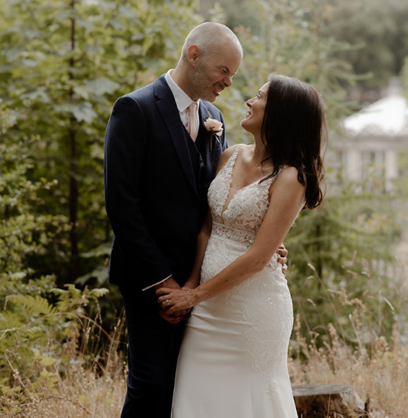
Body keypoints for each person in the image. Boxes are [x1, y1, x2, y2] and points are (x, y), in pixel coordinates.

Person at [103, 22, 287, 418]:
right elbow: (122, 205)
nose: (228, 82)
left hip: (203, 278)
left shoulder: (214, 117)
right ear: (194, 55)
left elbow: (219, 198)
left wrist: (264, 241)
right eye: (224, 71)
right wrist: (163, 281)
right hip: (149, 278)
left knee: (185, 388)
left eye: (234, 75)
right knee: (150, 385)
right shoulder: (134, 108)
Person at [157, 74, 326, 418]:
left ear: (280, 113)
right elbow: (207, 226)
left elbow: (259, 257)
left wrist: (193, 296)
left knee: (251, 403)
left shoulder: (291, 176)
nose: (249, 101)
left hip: (253, 312)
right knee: (196, 400)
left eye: (259, 96)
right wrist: (191, 285)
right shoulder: (230, 154)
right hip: (206, 310)